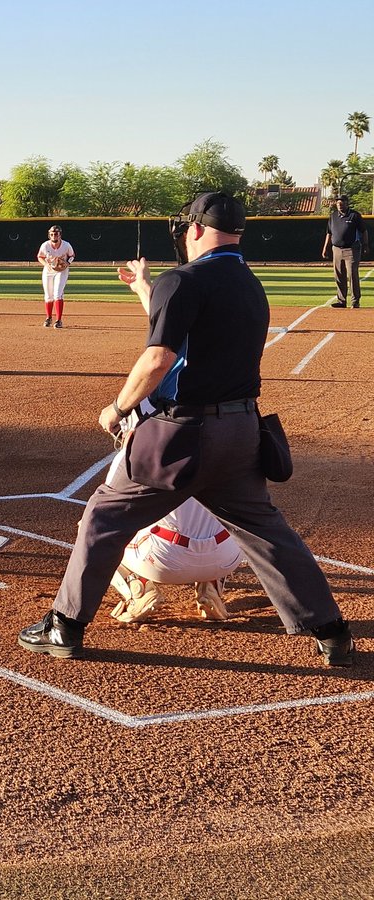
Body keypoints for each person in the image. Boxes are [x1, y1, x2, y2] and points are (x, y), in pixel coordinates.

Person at [18, 192, 355, 666]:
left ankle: (65, 626)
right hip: (241, 432)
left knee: (103, 517)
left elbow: (161, 357)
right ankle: (332, 630)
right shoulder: (250, 283)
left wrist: (118, 407)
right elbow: (195, 338)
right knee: (267, 532)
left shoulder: (184, 280)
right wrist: (146, 290)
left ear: (195, 229)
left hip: (184, 436)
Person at [100, 431, 244, 624]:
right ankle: (212, 587)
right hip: (226, 558)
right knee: (227, 524)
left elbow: (108, 513)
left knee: (94, 527)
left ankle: (139, 590)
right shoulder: (235, 446)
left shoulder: (140, 450)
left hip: (164, 561)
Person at [322, 195, 367, 308]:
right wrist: (325, 248)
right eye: (338, 204)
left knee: (352, 274)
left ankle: (355, 301)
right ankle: (342, 301)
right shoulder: (333, 216)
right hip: (336, 249)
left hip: (351, 249)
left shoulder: (354, 215)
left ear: (347, 203)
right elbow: (329, 233)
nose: (339, 206)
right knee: (339, 275)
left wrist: (365, 245)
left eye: (341, 204)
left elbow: (364, 231)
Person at [37, 225, 75, 327]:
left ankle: (58, 320)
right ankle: (48, 318)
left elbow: (72, 256)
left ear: (60, 235)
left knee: (57, 294)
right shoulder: (45, 245)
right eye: (52, 234)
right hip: (48, 270)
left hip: (62, 271)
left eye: (56, 234)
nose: (54, 236)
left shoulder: (66, 245)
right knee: (48, 296)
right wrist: (46, 264)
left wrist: (67, 263)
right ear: (49, 235)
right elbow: (40, 256)